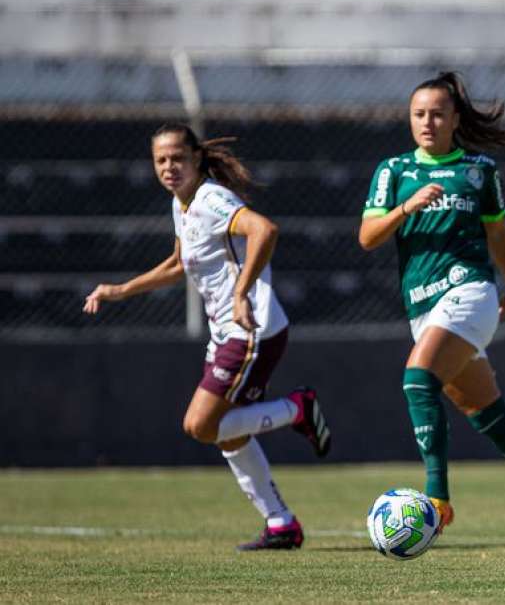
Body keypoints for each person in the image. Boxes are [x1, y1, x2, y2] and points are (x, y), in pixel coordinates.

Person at [83, 123, 331, 551]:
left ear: (197, 158)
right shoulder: (182, 205)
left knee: (200, 425)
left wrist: (240, 293)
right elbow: (180, 263)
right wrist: (120, 290)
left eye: (177, 158)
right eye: (160, 160)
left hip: (251, 330)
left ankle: (297, 409)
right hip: (228, 333)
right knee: (228, 432)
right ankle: (280, 524)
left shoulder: (212, 198)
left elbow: (264, 230)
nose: (168, 167)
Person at [358, 72, 505, 533]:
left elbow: (497, 231)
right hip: (422, 305)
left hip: (470, 292)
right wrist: (407, 207)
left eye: (437, 113)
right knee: (490, 418)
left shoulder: (477, 170)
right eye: (419, 114)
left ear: (455, 118)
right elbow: (368, 237)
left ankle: (436, 499)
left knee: (418, 380)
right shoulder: (393, 171)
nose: (428, 122)